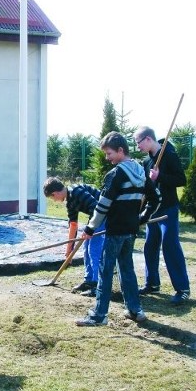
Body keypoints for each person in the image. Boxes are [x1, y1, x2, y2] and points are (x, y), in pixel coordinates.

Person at [75, 131, 160, 327]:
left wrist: (90, 227)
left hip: (114, 232)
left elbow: (103, 206)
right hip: (130, 231)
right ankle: (135, 310)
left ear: (121, 150)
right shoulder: (141, 171)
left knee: (105, 270)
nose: (107, 158)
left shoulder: (115, 175)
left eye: (109, 153)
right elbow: (156, 198)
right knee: (126, 268)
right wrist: (141, 219)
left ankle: (99, 315)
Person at [134, 126, 191, 304]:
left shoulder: (169, 155)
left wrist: (160, 177)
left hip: (168, 209)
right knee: (150, 246)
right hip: (153, 211)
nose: (138, 147)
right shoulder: (146, 163)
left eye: (138, 142)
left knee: (170, 245)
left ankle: (182, 289)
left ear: (148, 139)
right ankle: (152, 284)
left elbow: (182, 180)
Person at [42, 177, 105, 297]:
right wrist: (69, 251)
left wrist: (89, 229)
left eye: (52, 198)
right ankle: (89, 280)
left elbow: (97, 208)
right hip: (95, 218)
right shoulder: (70, 201)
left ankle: (97, 286)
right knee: (86, 247)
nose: (54, 200)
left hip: (104, 215)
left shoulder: (76, 191)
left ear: (55, 193)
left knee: (94, 250)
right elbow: (73, 225)